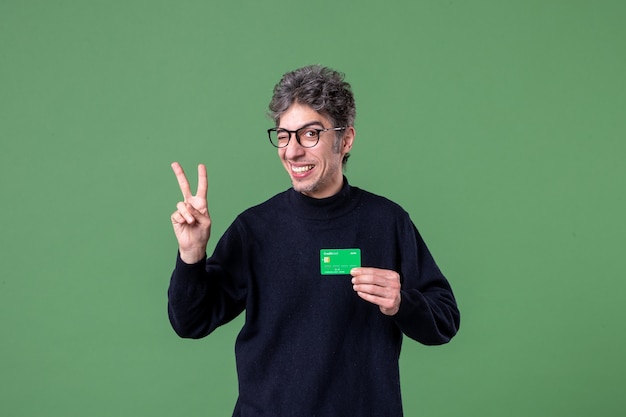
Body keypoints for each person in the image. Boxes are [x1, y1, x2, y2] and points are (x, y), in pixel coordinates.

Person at [167, 65, 460, 417]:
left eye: (309, 134)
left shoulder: (387, 222)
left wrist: (401, 302)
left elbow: (444, 320)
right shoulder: (255, 228)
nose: (292, 151)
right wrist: (191, 254)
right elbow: (191, 322)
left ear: (346, 139)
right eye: (284, 135)